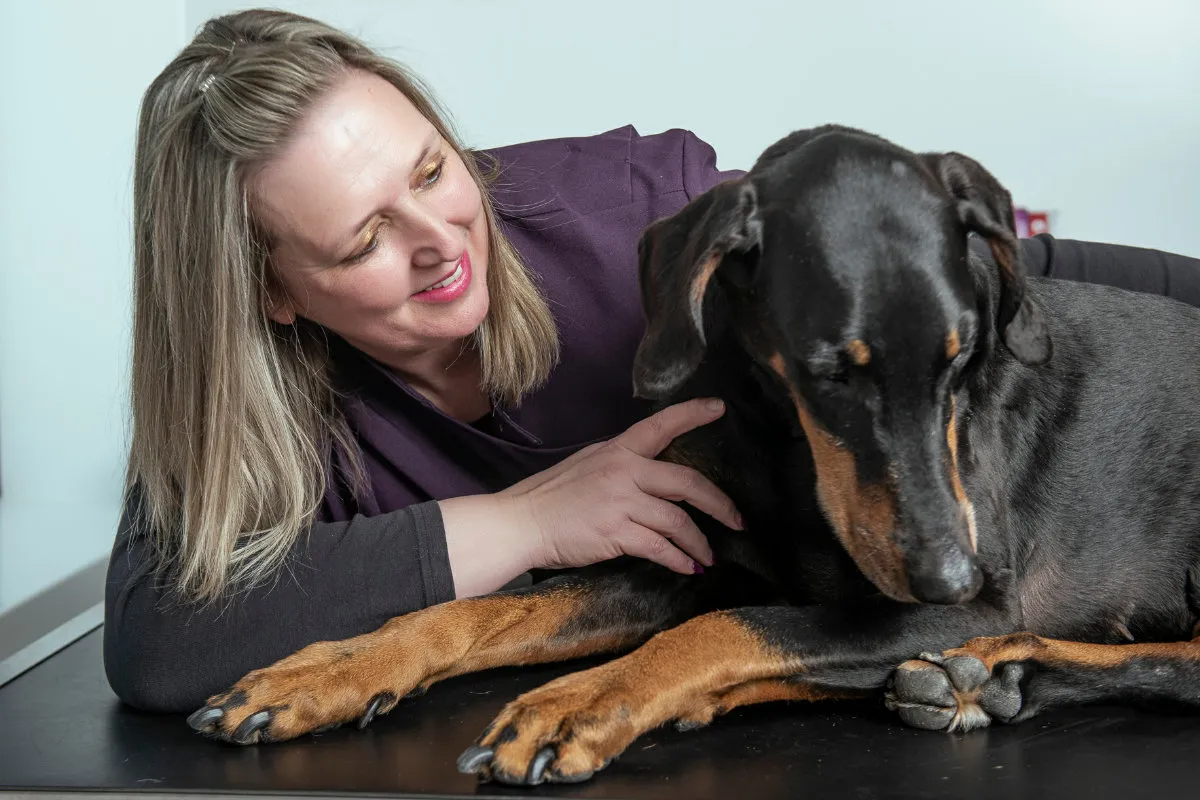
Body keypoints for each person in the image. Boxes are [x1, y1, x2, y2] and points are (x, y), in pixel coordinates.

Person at [103, 8, 1200, 713]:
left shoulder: (627, 210)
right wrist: (526, 520)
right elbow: (158, 641)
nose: (442, 239)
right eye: (361, 238)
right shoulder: (245, 398)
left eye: (433, 170)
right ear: (271, 291)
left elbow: (1008, 269)